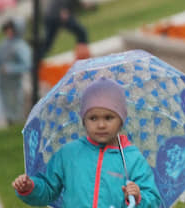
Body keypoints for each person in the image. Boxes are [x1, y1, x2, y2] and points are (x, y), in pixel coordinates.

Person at [12, 77, 161, 207]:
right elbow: (49, 189)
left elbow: (153, 200)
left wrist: (138, 197)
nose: (101, 125)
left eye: (109, 117)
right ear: (83, 120)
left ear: (121, 120)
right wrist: (31, 187)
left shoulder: (132, 159)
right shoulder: (69, 154)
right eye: (93, 118)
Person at [0, 17, 32, 125]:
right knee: (6, 108)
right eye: (7, 29)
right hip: (4, 84)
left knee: (17, 109)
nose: (8, 32)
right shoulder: (4, 44)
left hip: (17, 84)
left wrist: (10, 68)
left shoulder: (21, 46)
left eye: (11, 29)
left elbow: (27, 65)